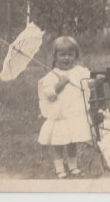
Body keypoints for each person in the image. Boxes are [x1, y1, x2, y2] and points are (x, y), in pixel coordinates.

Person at [37, 36, 105, 178]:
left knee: (72, 141)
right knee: (58, 142)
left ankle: (73, 166)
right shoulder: (52, 75)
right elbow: (48, 94)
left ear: (76, 55)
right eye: (62, 55)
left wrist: (96, 82)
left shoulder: (79, 71)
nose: (66, 58)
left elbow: (86, 84)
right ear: (55, 56)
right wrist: (58, 86)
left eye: (70, 54)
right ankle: (59, 168)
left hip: (73, 114)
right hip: (60, 116)